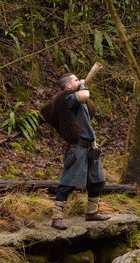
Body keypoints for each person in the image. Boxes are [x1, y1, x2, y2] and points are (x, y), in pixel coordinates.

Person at [41, 73, 110, 230]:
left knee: (97, 181)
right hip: (77, 148)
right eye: (76, 80)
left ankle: (92, 212)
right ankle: (56, 217)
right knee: (67, 184)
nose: (79, 81)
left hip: (90, 147)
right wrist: (84, 84)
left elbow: (88, 107)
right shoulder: (67, 99)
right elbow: (85, 94)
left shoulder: (77, 99)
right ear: (68, 86)